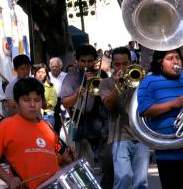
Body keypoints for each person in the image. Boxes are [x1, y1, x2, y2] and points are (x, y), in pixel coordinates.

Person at [0, 77, 73, 189]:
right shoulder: (6, 125)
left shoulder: (48, 127)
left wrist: (67, 160)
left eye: (37, 100)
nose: (32, 105)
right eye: (26, 100)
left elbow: (52, 159)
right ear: (16, 102)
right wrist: (9, 179)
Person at [60, 44, 113, 188]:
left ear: (95, 61)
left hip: (104, 128)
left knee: (109, 168)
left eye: (90, 61)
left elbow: (110, 98)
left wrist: (103, 84)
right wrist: (77, 94)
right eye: (83, 61)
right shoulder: (70, 78)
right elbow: (65, 103)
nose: (87, 64)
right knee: (86, 171)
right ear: (77, 61)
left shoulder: (102, 75)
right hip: (83, 130)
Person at [99, 47, 149, 189]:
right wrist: (118, 86)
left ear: (131, 63)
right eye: (117, 64)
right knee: (123, 178)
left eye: (125, 64)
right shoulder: (105, 83)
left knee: (140, 182)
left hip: (141, 136)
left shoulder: (140, 78)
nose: (121, 68)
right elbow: (109, 106)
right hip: (119, 137)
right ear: (112, 65)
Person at [137, 49, 183, 189]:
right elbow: (144, 110)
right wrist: (173, 104)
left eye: (177, 57)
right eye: (170, 58)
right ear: (160, 63)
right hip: (168, 154)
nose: (175, 61)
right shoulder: (149, 81)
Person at [48, 57, 68, 133]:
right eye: (52, 66)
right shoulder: (48, 75)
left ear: (60, 66)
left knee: (62, 123)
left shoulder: (66, 76)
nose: (54, 68)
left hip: (62, 101)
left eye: (56, 66)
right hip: (51, 102)